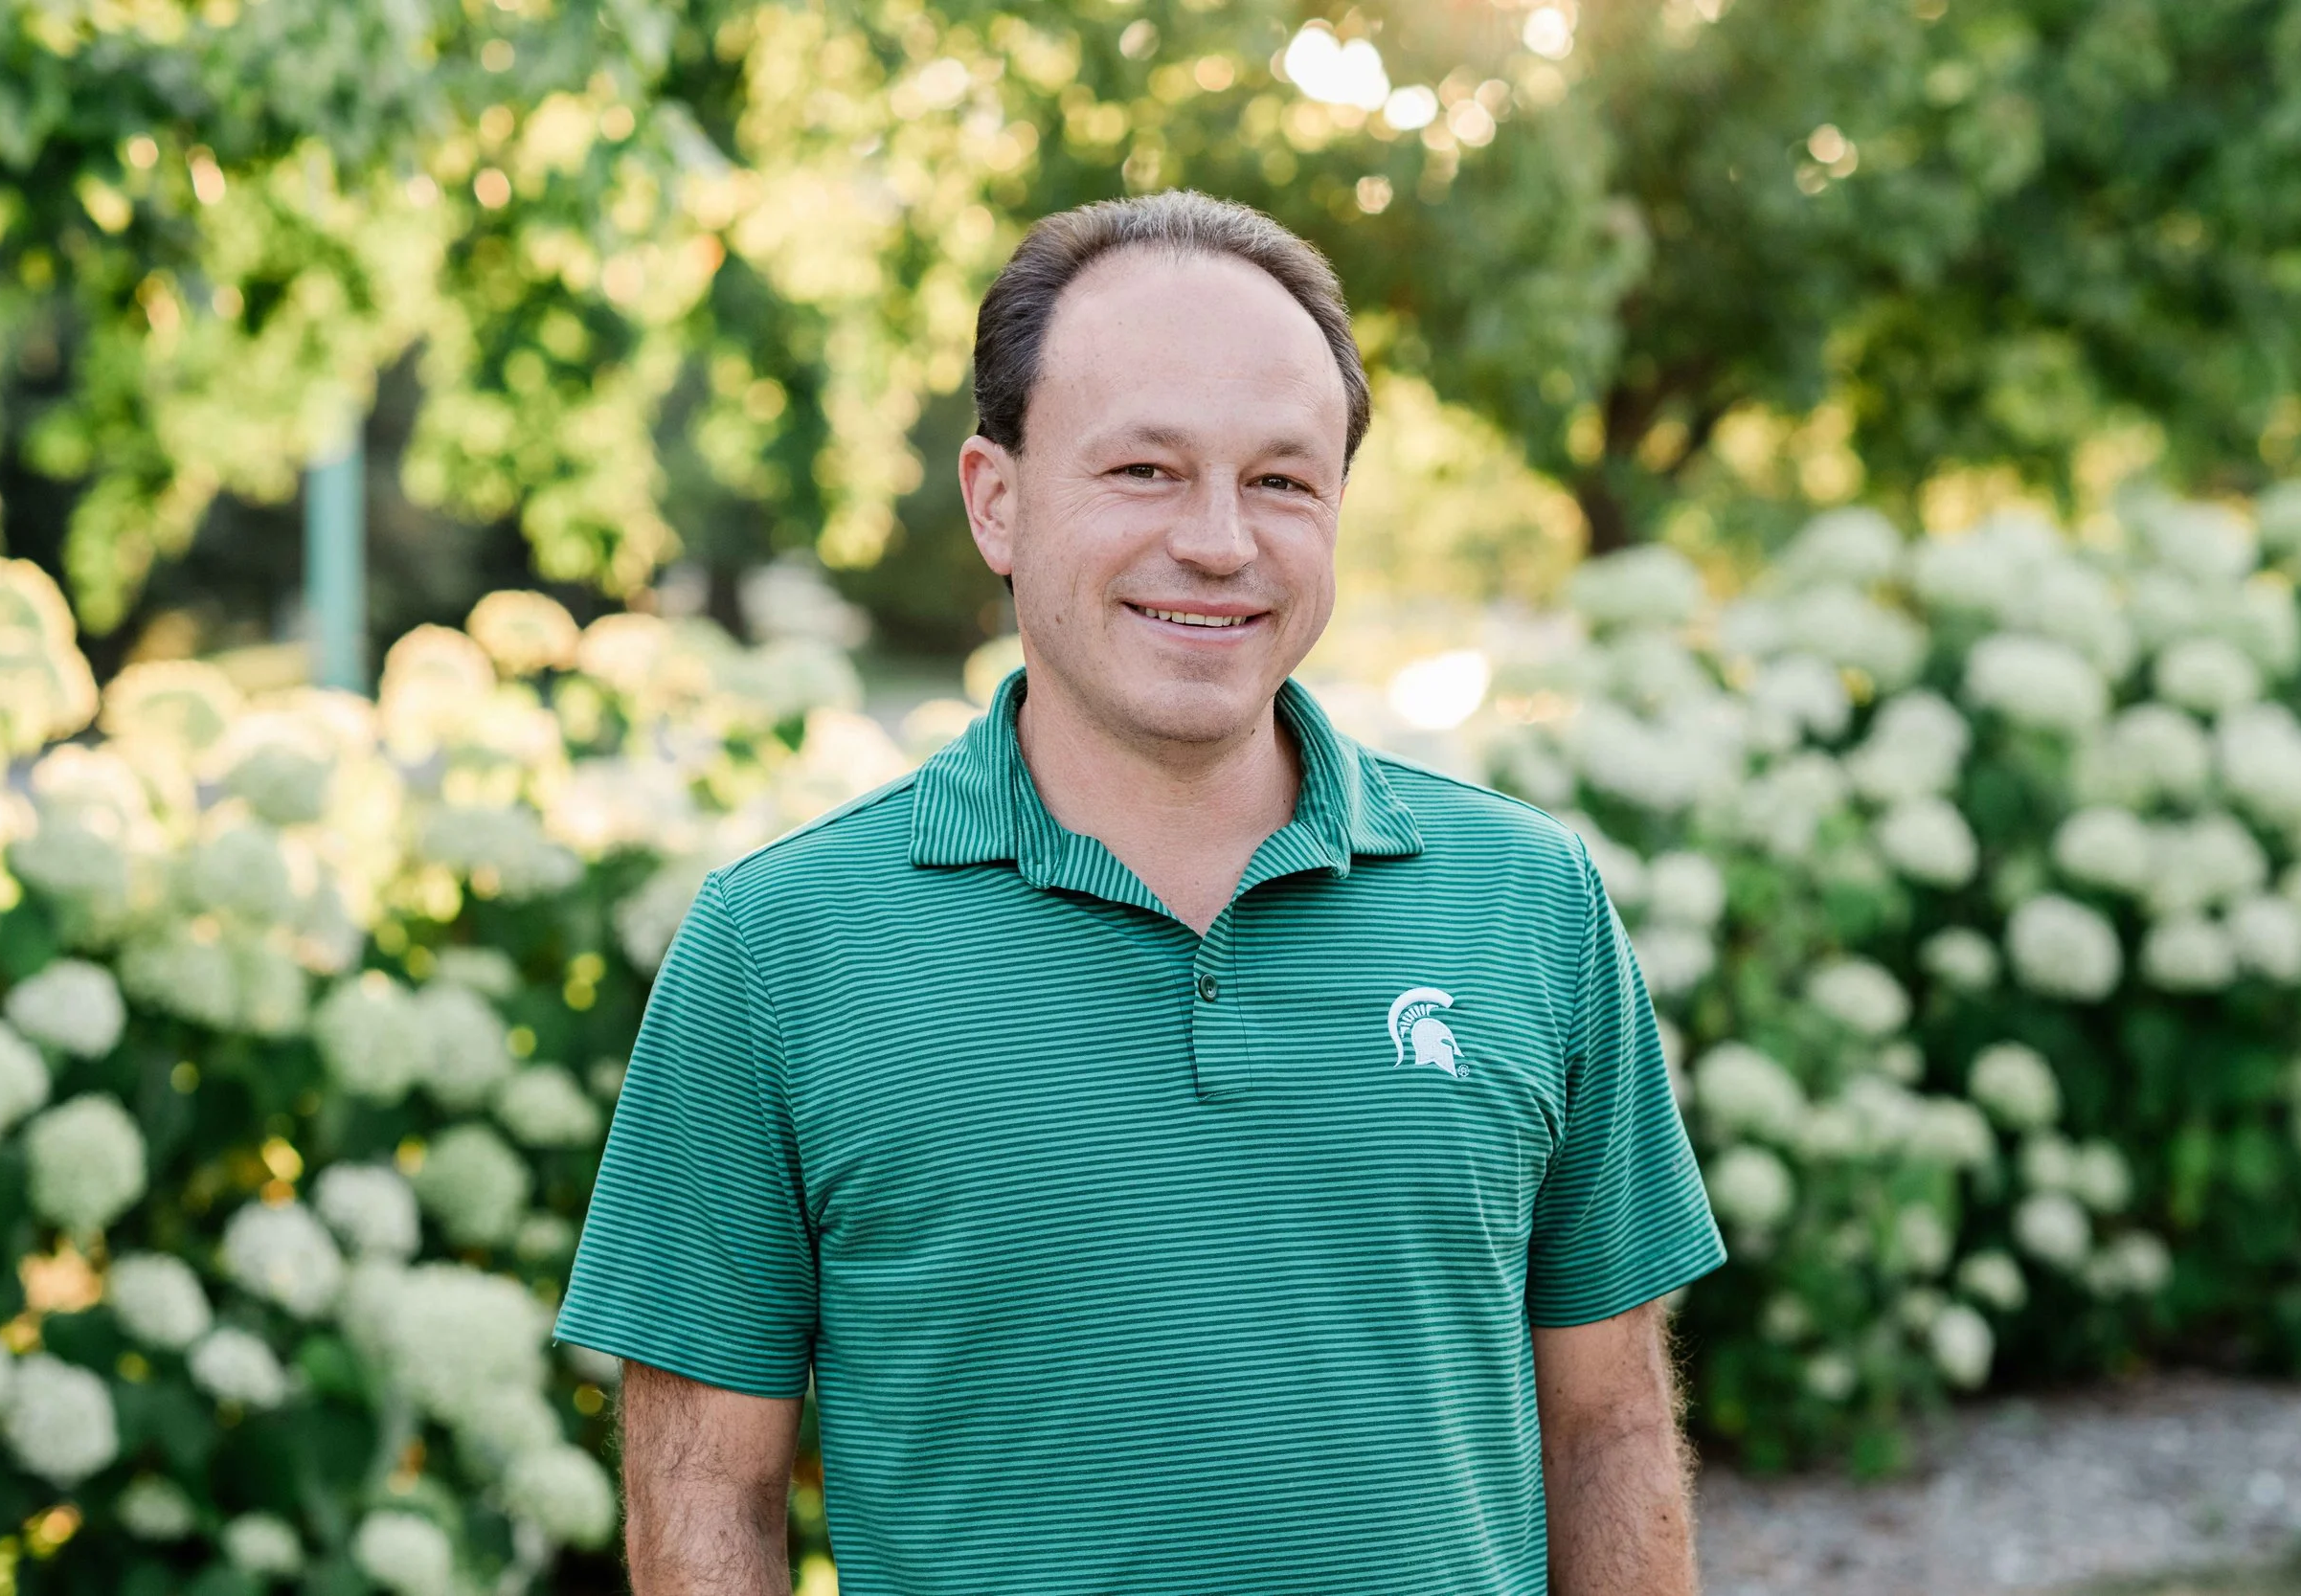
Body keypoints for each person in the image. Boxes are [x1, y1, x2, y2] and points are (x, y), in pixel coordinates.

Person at [556, 190, 1725, 1595]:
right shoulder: (779, 947)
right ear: (998, 499)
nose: (1221, 541)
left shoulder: (1528, 902)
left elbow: (1608, 1427)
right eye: (1147, 471)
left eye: (1282, 480)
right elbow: (704, 1489)